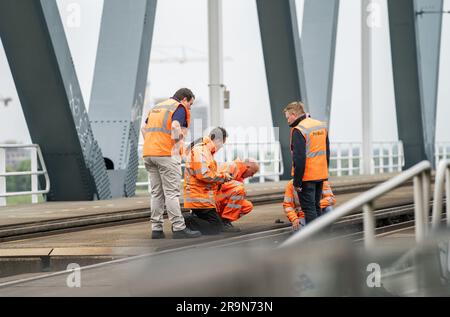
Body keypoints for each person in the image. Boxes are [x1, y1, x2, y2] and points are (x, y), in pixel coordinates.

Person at [142, 88, 201, 239]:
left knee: (156, 193)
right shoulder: (178, 107)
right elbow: (175, 126)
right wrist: (176, 145)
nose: (190, 107)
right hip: (166, 154)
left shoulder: (157, 107)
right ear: (184, 99)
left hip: (149, 154)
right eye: (190, 104)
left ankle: (156, 229)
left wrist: (151, 143)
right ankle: (179, 228)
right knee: (171, 193)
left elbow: (144, 128)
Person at [284, 101, 330, 225]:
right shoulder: (320, 126)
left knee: (309, 209)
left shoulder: (299, 130)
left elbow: (299, 159)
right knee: (316, 206)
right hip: (320, 175)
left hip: (307, 177)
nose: (288, 121)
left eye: (288, 117)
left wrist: (297, 182)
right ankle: (320, 234)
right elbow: (327, 152)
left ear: (294, 114)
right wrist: (325, 173)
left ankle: (314, 238)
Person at [183, 127, 232, 235]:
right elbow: (203, 174)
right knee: (216, 227)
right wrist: (223, 177)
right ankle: (184, 222)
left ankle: (191, 221)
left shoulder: (206, 151)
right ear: (218, 140)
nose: (221, 147)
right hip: (198, 198)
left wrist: (221, 178)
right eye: (222, 144)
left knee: (216, 225)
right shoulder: (201, 151)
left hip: (202, 197)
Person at [215, 158, 260, 232]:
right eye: (252, 173)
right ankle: (225, 222)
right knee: (240, 189)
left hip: (223, 198)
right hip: (216, 197)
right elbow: (219, 183)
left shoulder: (240, 175)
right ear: (248, 167)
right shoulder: (231, 166)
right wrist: (239, 187)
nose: (251, 176)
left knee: (247, 206)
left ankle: (223, 221)